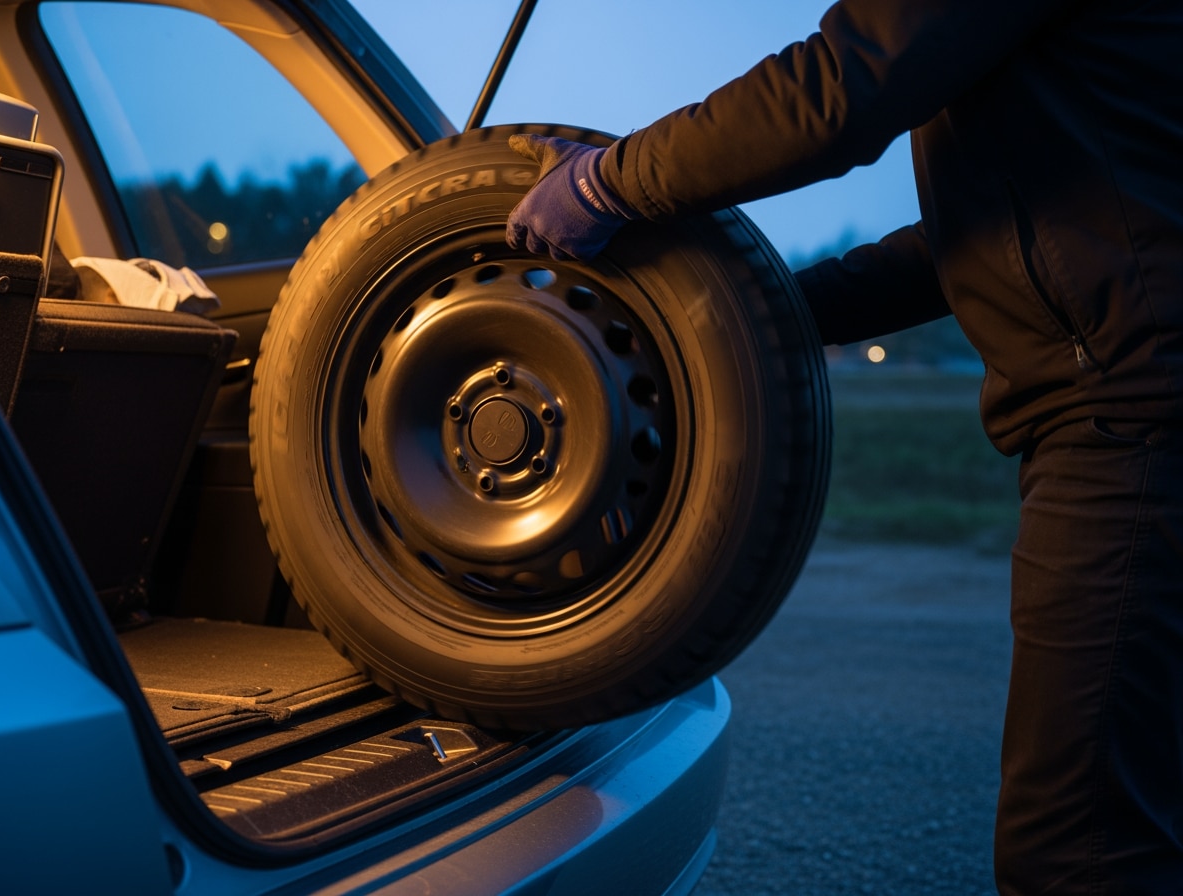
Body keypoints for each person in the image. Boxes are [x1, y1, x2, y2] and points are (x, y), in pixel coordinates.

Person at [505, 1, 1183, 893]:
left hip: (1135, 421)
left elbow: (843, 83)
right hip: (1140, 398)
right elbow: (972, 241)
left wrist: (608, 184)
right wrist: (755, 311)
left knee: (1079, 850)